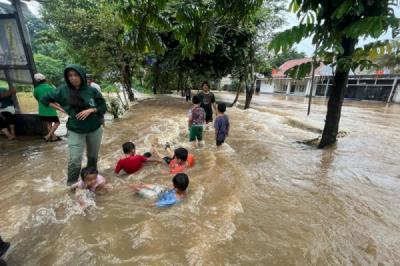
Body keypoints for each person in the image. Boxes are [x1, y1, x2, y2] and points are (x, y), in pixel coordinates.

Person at [41, 64, 107, 185]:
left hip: (94, 128)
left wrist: (91, 110)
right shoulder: (62, 90)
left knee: (92, 157)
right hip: (75, 129)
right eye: (70, 75)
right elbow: (44, 99)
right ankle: (71, 185)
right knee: (75, 160)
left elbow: (103, 106)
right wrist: (61, 109)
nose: (73, 78)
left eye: (76, 75)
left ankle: (91, 182)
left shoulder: (92, 90)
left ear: (82, 75)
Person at [33, 73, 61, 142]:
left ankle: (54, 137)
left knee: (48, 124)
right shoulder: (51, 88)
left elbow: (37, 98)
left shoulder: (36, 89)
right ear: (45, 79)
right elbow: (54, 98)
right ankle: (48, 136)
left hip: (42, 110)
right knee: (57, 123)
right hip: (50, 109)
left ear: (37, 81)